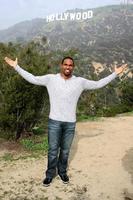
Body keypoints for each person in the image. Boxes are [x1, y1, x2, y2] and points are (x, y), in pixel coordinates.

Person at [4, 56, 127, 186]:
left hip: (70, 123)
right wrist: (16, 67)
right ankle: (50, 174)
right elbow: (33, 78)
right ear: (61, 65)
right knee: (52, 150)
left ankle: (62, 172)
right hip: (54, 122)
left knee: (65, 151)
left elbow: (98, 84)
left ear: (73, 67)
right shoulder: (51, 79)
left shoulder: (80, 82)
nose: (68, 67)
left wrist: (115, 74)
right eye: (66, 64)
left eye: (70, 65)